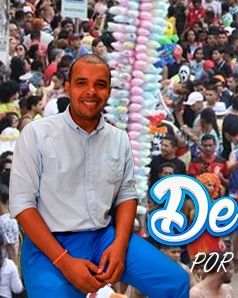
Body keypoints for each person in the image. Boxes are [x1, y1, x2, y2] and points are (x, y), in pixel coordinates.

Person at [9, 54, 190, 296]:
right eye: (82, 83)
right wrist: (65, 262)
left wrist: (120, 244)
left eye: (100, 85)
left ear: (108, 91)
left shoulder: (117, 138)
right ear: (68, 88)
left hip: (104, 236)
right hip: (48, 246)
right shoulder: (36, 134)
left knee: (176, 281)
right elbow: (22, 207)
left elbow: (126, 195)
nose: (91, 92)